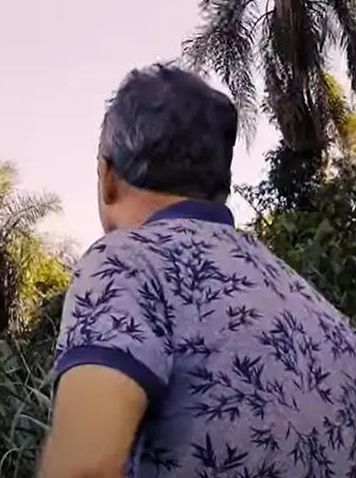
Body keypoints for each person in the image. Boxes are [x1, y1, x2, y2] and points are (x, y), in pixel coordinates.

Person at [38, 63, 356, 478]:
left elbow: (84, 467)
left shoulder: (125, 263)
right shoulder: (321, 316)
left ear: (107, 176)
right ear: (219, 182)